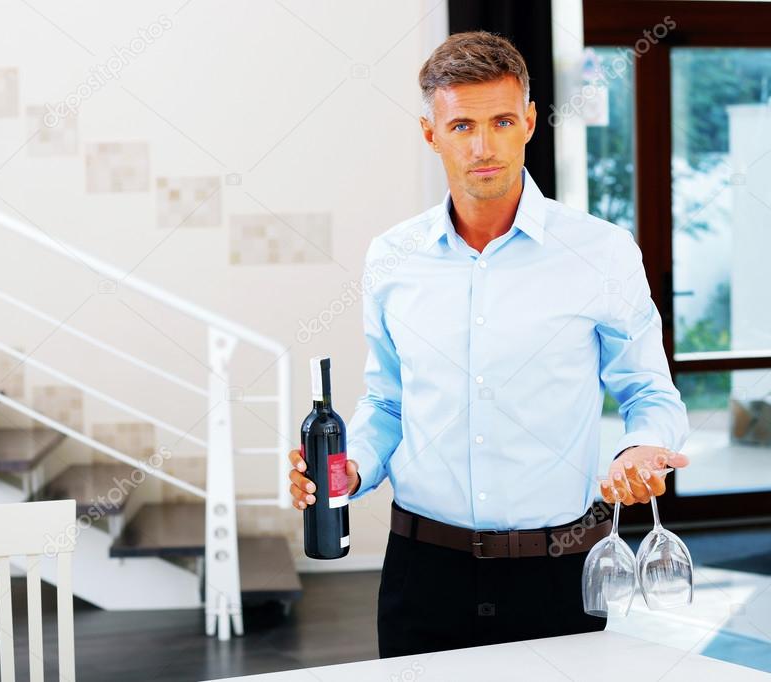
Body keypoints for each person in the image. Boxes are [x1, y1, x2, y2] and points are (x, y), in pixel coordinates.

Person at [287, 30, 691, 658]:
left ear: (529, 121)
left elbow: (648, 390)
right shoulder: (393, 258)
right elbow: (388, 402)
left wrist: (641, 449)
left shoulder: (601, 252)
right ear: (431, 134)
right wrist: (351, 469)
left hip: (558, 569)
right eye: (462, 126)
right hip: (423, 572)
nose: (483, 146)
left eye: (502, 120)